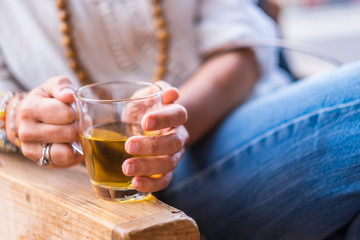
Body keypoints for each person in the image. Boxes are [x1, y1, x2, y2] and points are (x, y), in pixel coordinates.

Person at [0, 1, 359, 239]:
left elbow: (244, 46)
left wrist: (169, 120)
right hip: (112, 188)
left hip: (236, 123)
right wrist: (13, 116)